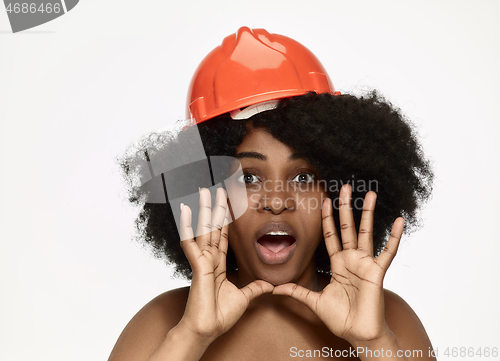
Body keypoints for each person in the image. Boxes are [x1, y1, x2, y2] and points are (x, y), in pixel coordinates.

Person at [109, 27, 435, 360]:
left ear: (334, 192)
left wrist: (374, 344)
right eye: (248, 177)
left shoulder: (388, 321)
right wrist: (191, 336)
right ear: (205, 192)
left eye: (304, 176)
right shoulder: (162, 324)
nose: (277, 201)